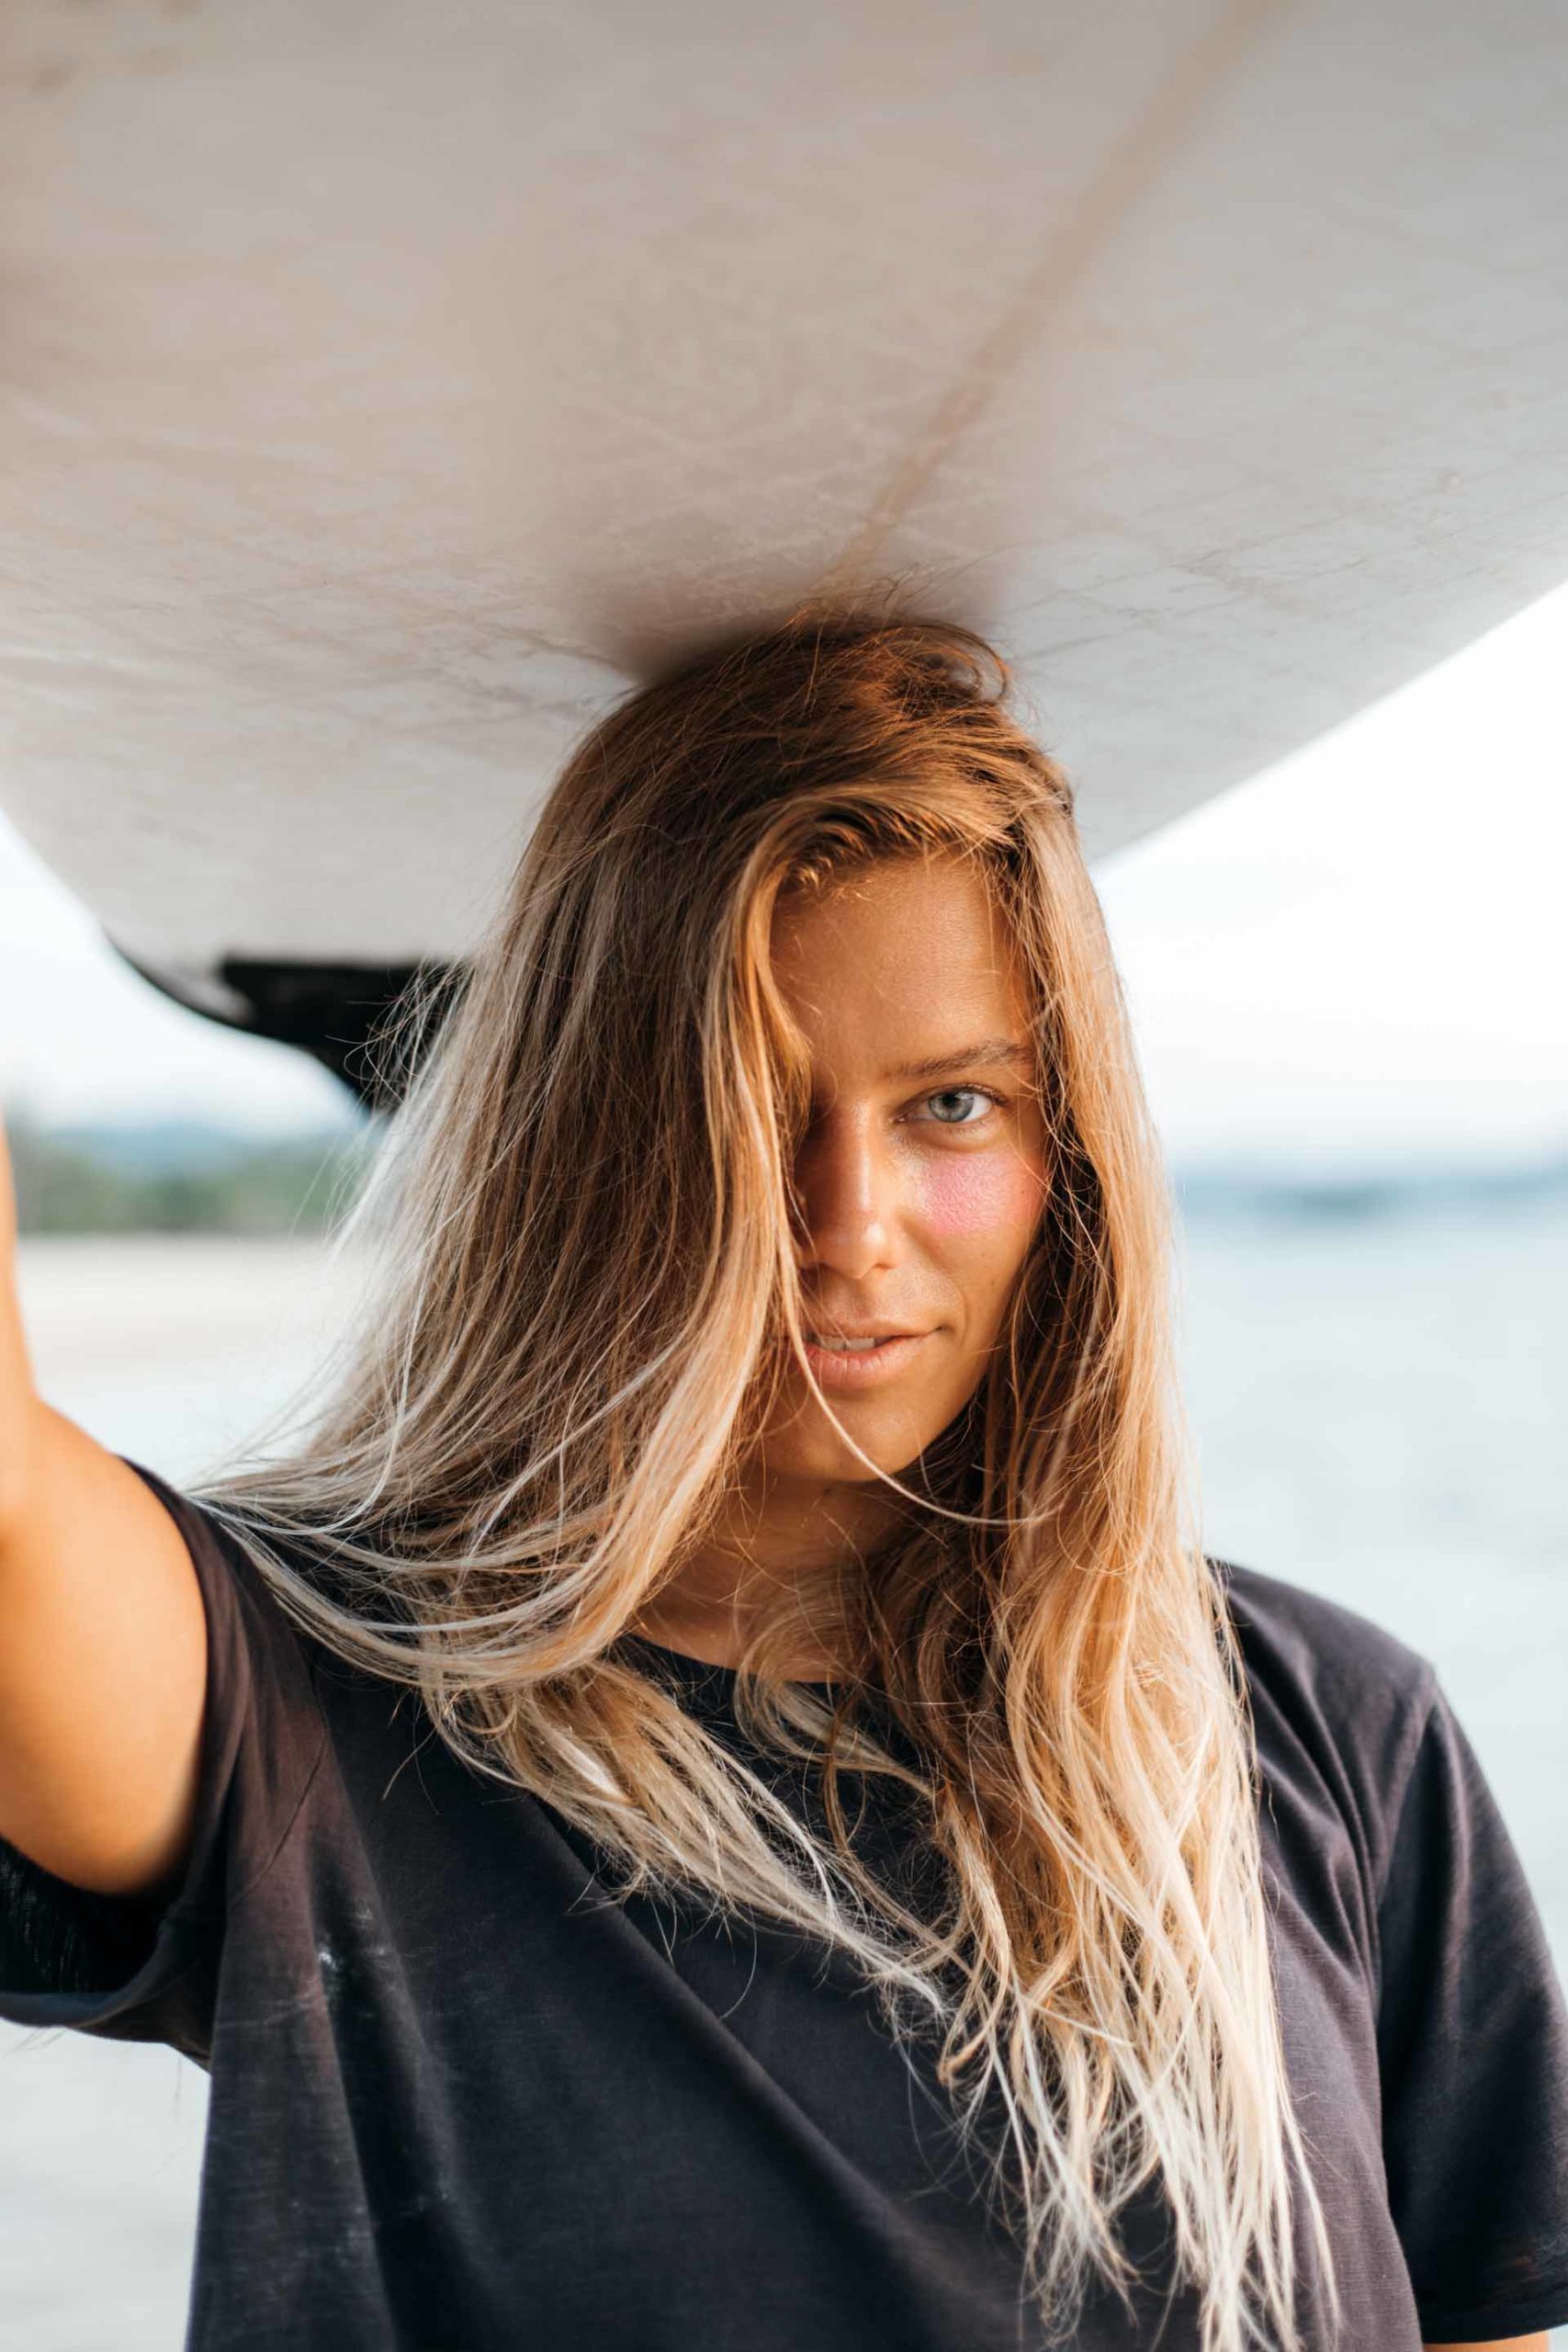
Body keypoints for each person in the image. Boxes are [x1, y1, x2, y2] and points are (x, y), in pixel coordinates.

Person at [2, 610, 1565, 2352]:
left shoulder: (1329, 1734)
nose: (847, 1227)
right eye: (745, 1097)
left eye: (954, 1106)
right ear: (581, 1140)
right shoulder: (307, 1711)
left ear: (1074, 1158)